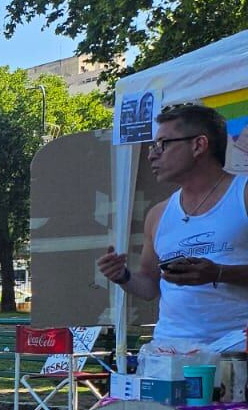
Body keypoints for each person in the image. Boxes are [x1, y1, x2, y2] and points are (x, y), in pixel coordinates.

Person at [98, 102, 248, 353]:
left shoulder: (242, 195)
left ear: (198, 145)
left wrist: (219, 273)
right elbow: (148, 287)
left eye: (163, 144)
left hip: (236, 353)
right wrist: (122, 275)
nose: (151, 154)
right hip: (169, 354)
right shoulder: (158, 214)